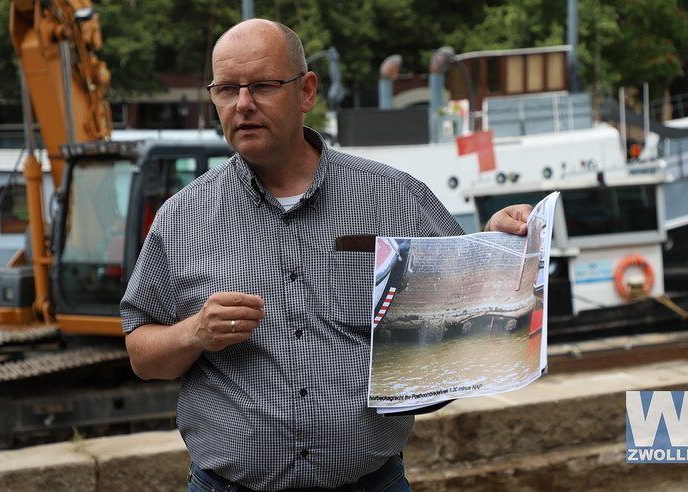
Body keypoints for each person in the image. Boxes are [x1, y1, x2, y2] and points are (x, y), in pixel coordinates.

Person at [121, 19, 532, 492]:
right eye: (227, 90)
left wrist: (500, 246)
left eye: (262, 85)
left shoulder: (393, 197)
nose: (243, 104)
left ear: (306, 91)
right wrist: (194, 332)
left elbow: (464, 294)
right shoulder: (182, 218)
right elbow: (141, 354)